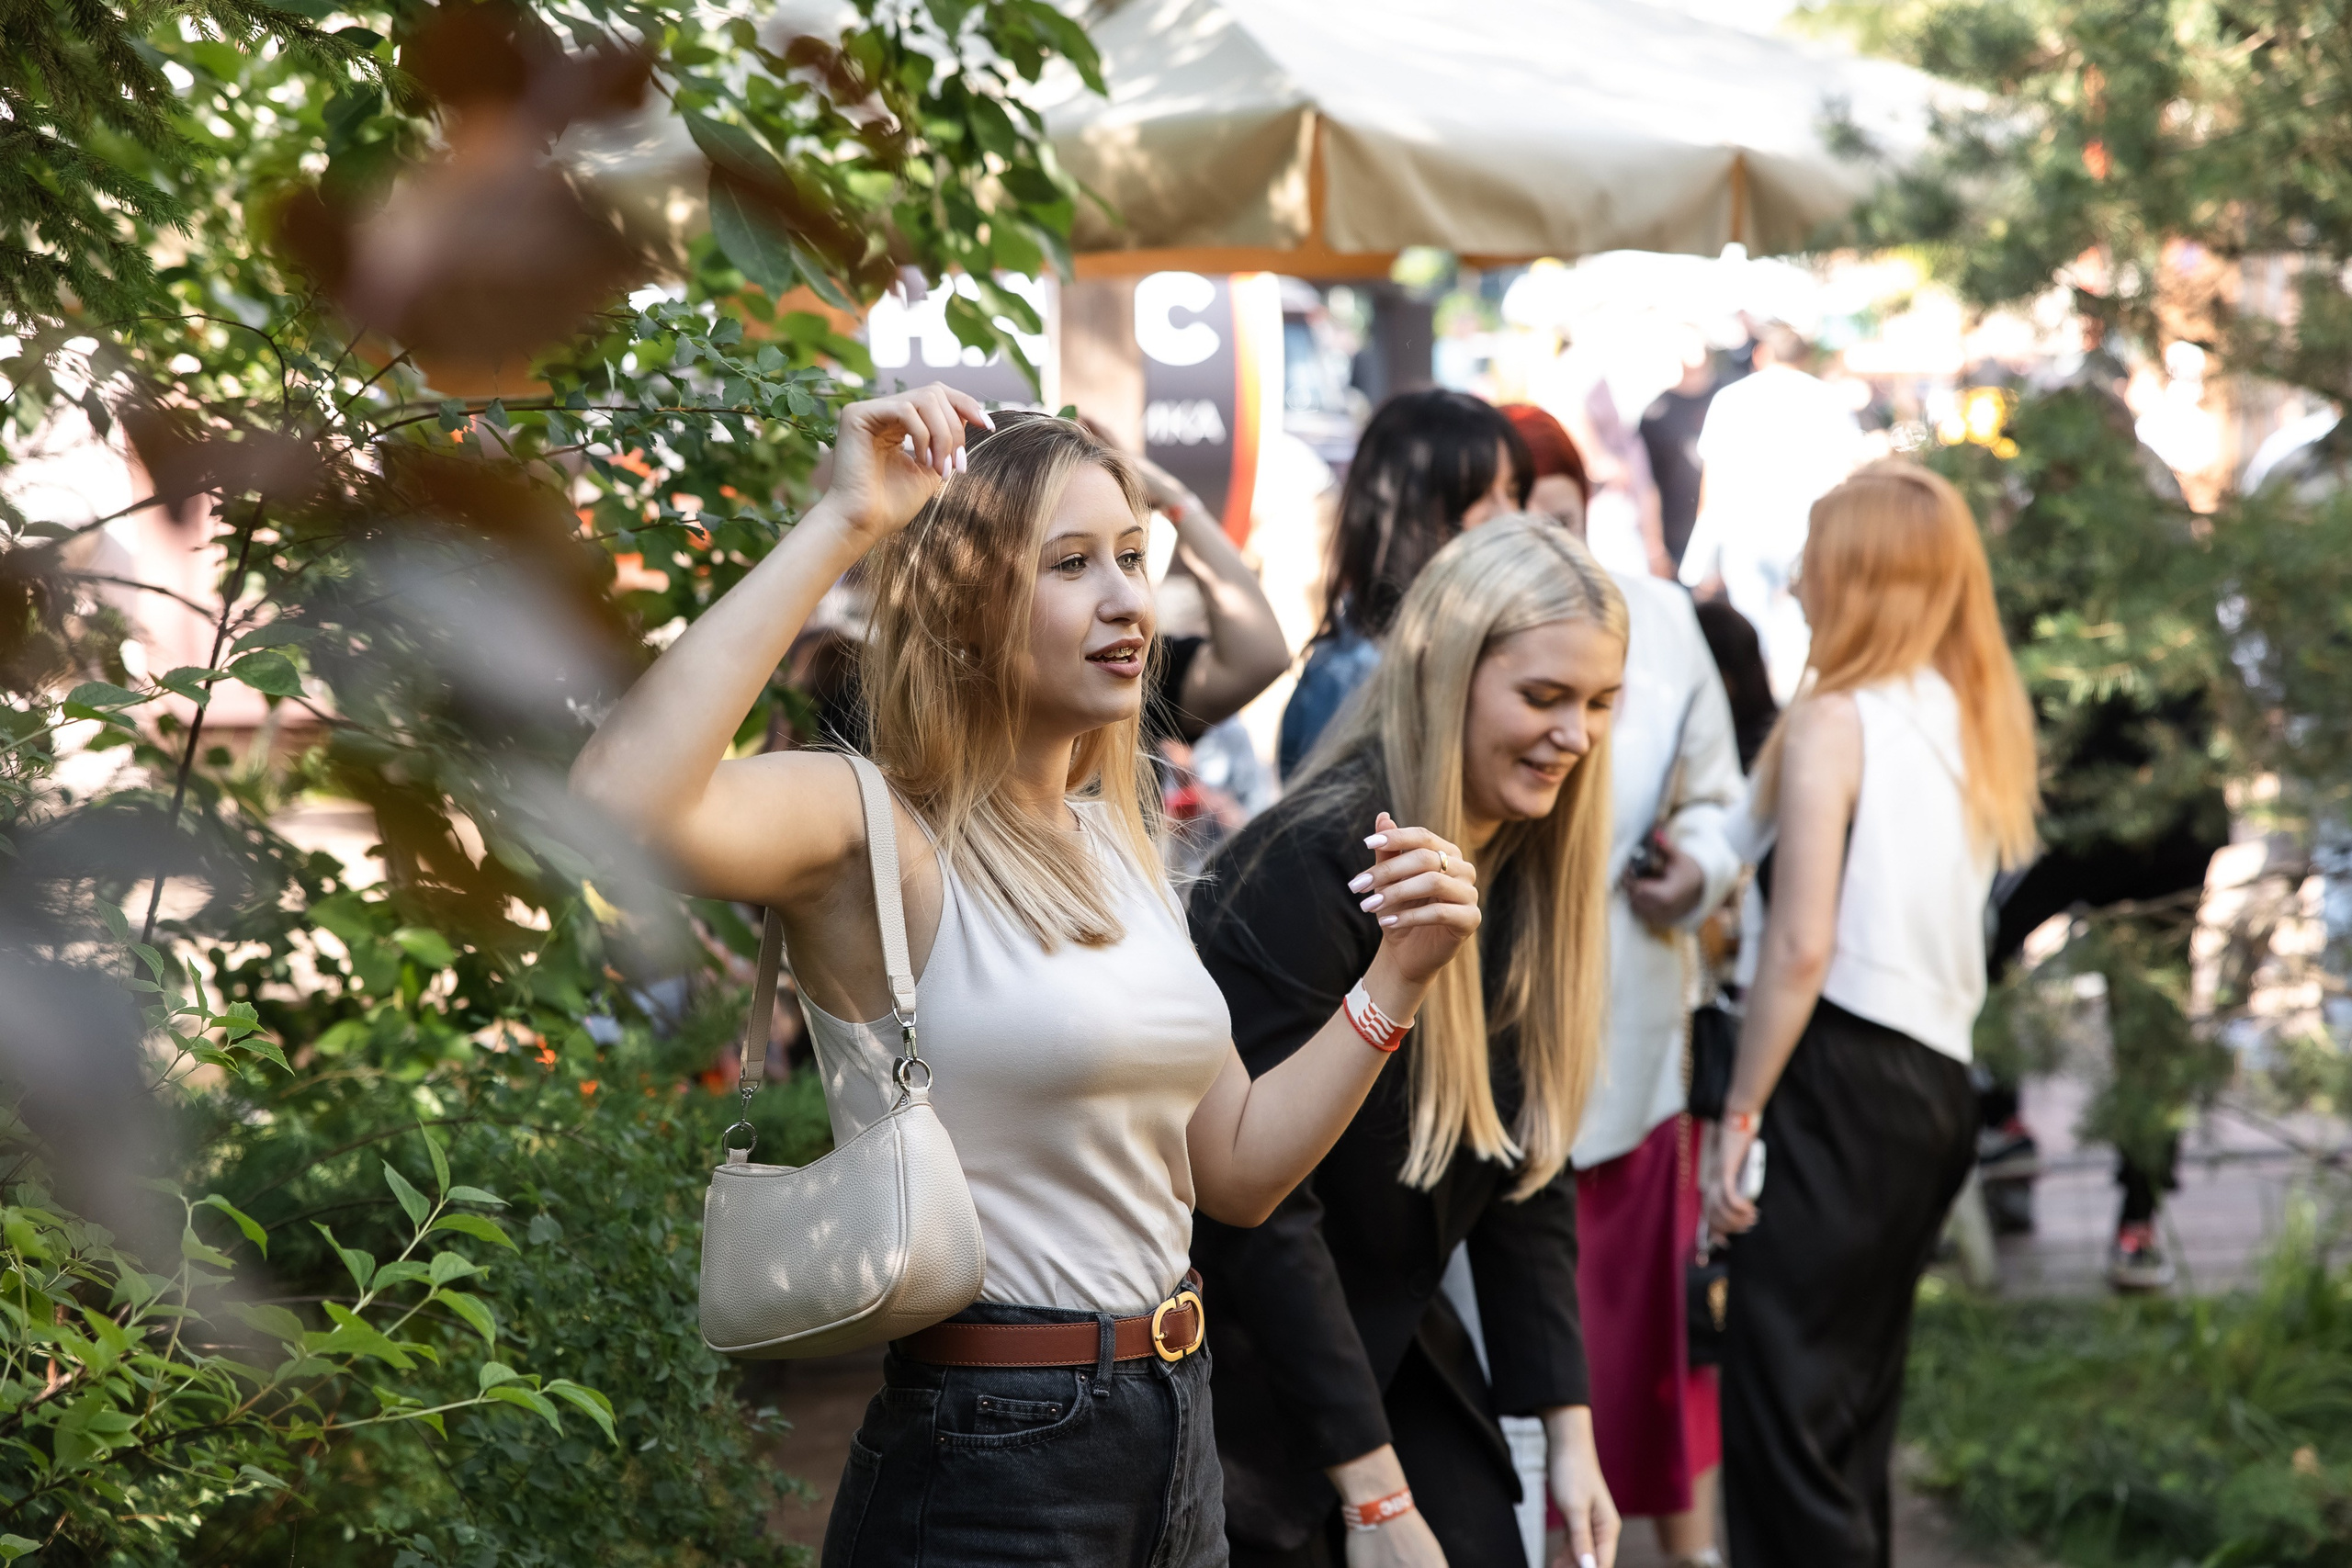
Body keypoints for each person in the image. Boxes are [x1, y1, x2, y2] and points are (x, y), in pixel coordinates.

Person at [570, 387, 1485, 1566]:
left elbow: (1240, 1169)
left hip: (1178, 1426)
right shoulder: (874, 828)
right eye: (1070, 563)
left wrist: (1396, 979)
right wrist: (843, 522)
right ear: (966, 608)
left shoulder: (1117, 839)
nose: (1127, 599)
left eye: (1132, 557)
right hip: (994, 1450)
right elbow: (616, 804)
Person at [1190, 515, 1628, 1568]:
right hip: (1247, 1381)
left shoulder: (1525, 863)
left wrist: (1569, 1432)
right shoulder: (1308, 866)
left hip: (1388, 1345)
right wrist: (1375, 1494)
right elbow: (1262, 1221)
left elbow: (1522, 1167)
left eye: (1599, 703)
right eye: (1543, 697)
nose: (1575, 734)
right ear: (1445, 675)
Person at [1704, 460, 2040, 1568]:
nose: (1795, 582)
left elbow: (1800, 946)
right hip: (1934, 1086)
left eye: (1815, 558)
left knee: (1785, 1418)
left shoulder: (1834, 720)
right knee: (1849, 1412)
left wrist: (1737, 1115)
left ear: (1859, 577)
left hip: (1835, 1078)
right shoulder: (1965, 714)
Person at [1499, 406, 1744, 1567]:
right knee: (1521, 1369)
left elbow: (1718, 797)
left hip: (1631, 1054)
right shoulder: (1449, 636)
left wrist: (1692, 868)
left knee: (1647, 1350)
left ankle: (1682, 1551)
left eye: (1557, 515)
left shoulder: (1658, 620)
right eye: (1508, 520)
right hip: (1489, 1069)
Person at [1277, 389, 1531, 778]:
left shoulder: (1485, 641)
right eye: (1478, 494)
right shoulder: (1356, 677)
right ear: (1410, 512)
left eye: (1513, 492)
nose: (1509, 517)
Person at [1676, 321, 1863, 703]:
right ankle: (1797, 708)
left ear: (1762, 355)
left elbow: (1714, 476)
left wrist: (1707, 538)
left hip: (1746, 531)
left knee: (1754, 633)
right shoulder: (1826, 399)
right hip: (1806, 532)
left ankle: (1762, 710)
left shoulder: (1732, 398)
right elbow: (1846, 473)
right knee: (1804, 631)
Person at [1638, 326, 1724, 571]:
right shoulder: (1656, 413)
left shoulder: (1730, 395)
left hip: (1728, 531)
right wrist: (1654, 546)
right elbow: (1647, 483)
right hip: (1678, 534)